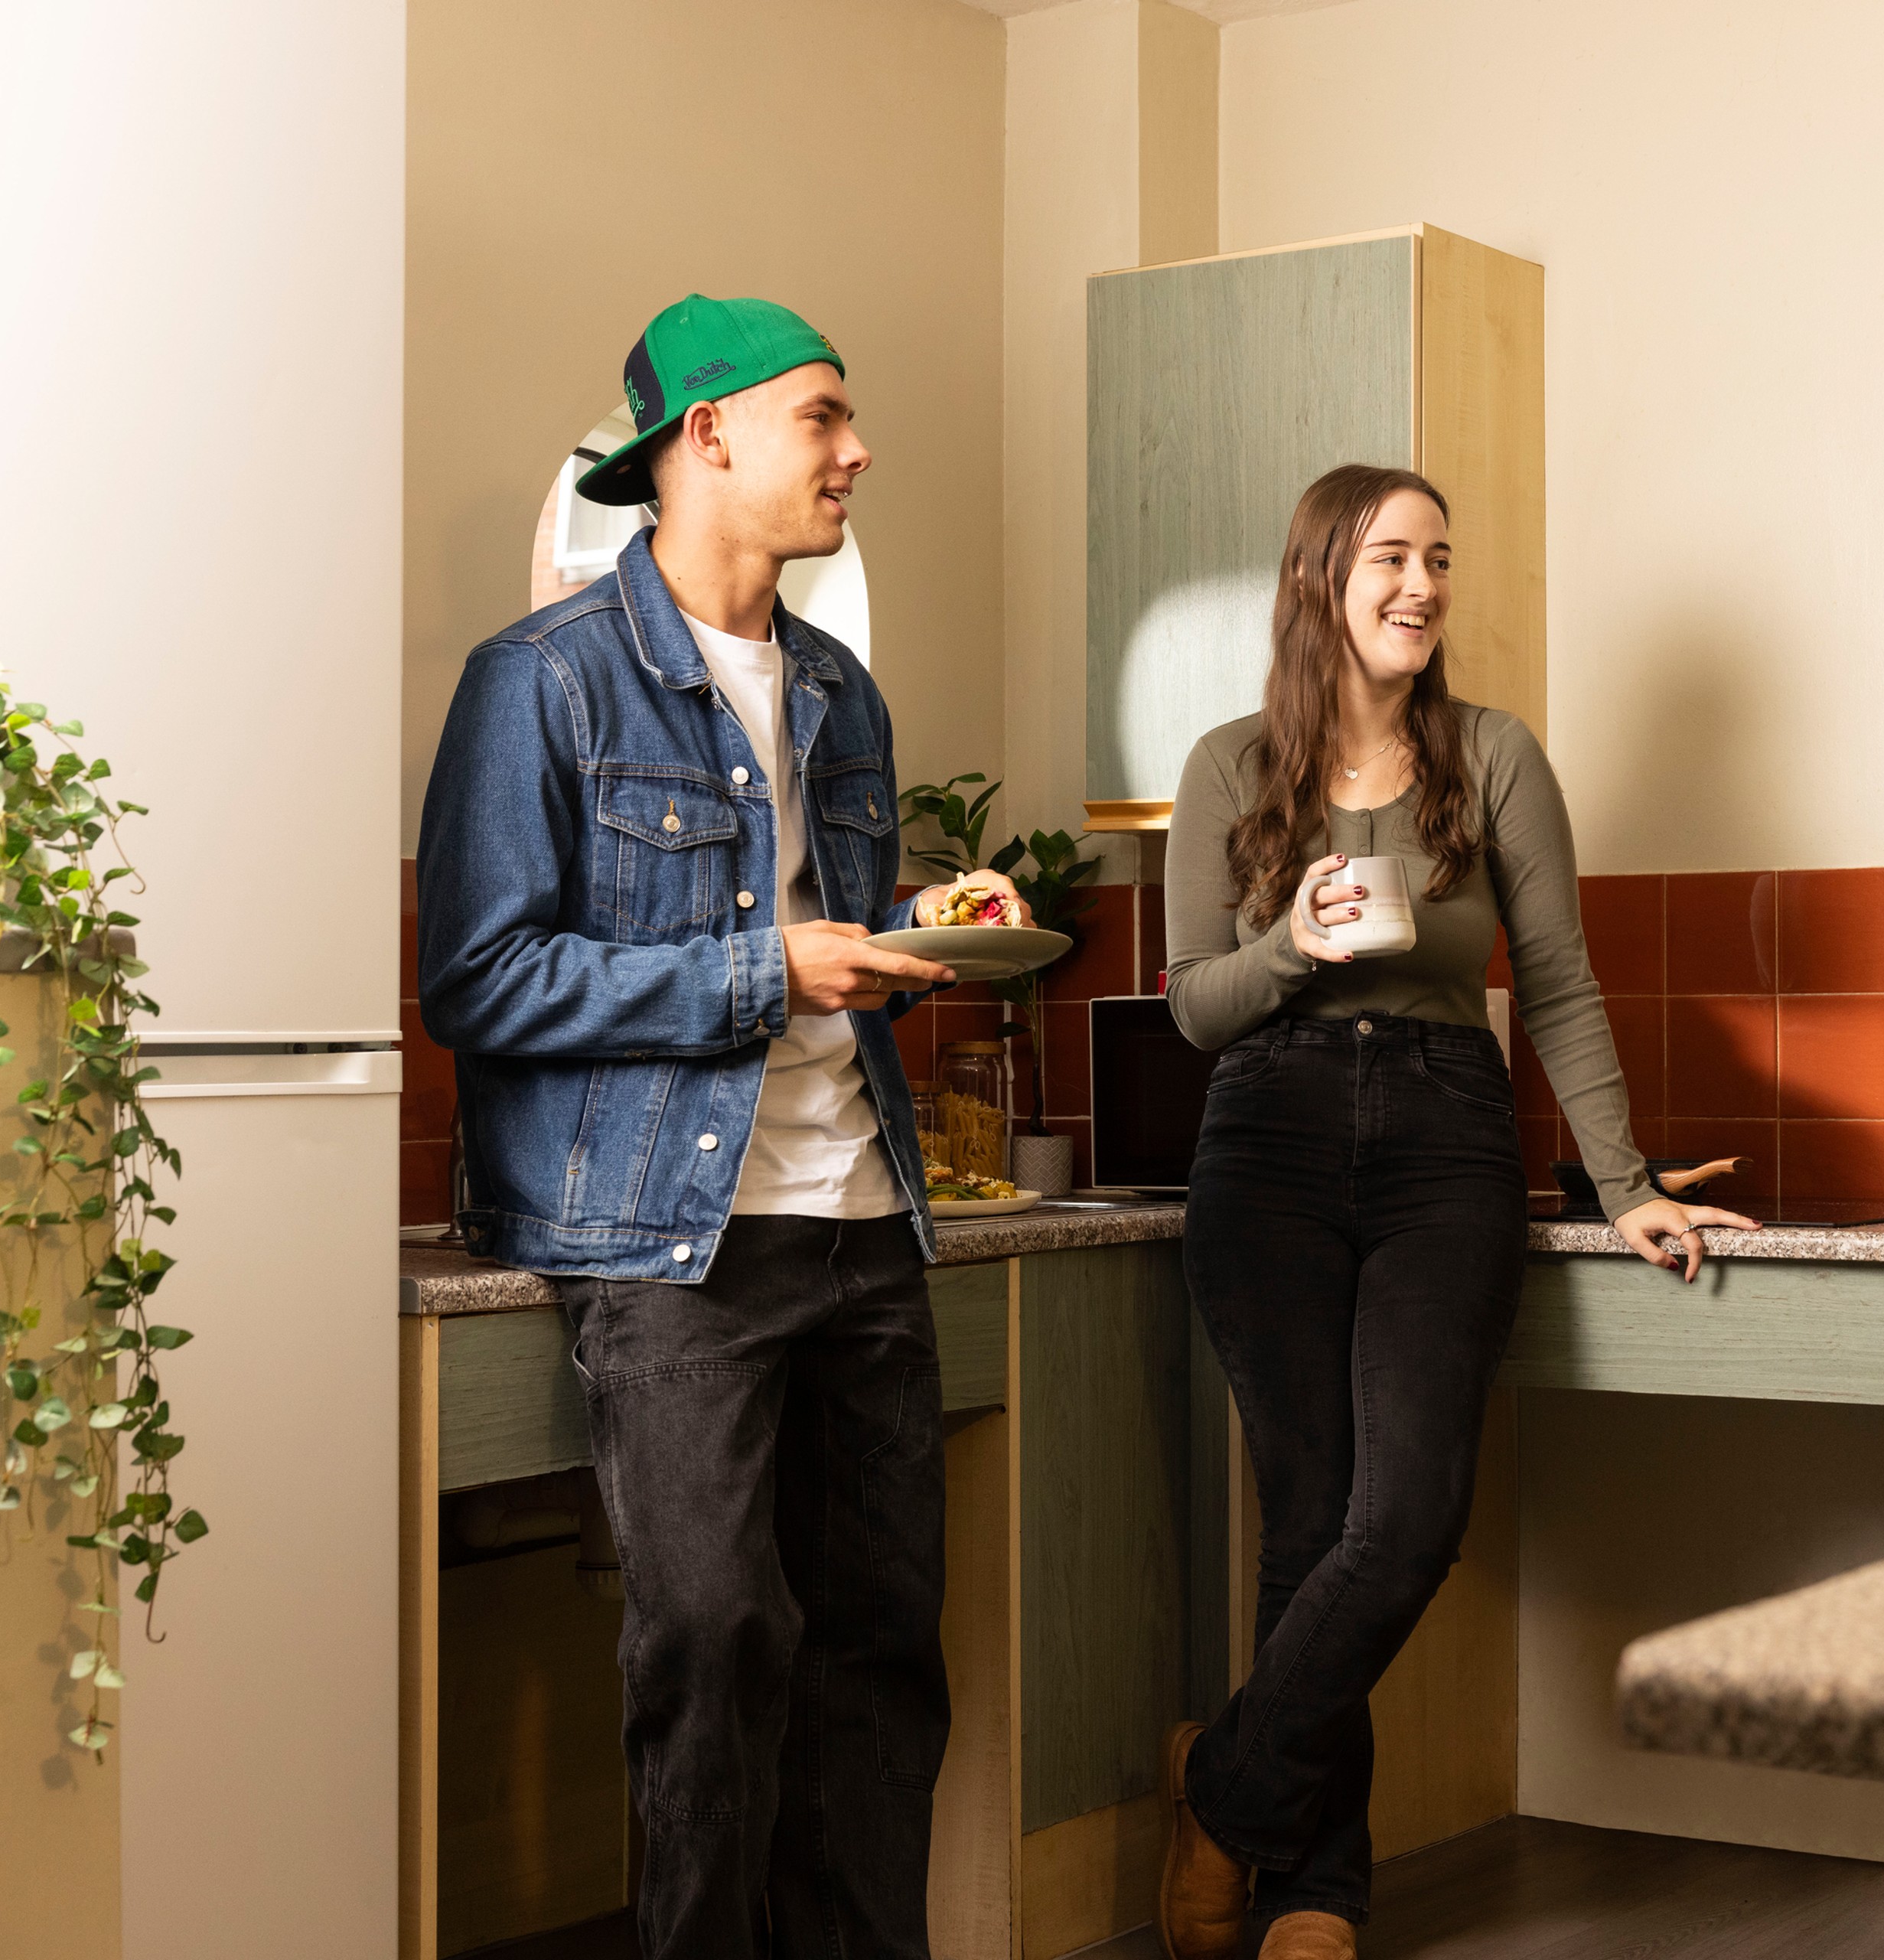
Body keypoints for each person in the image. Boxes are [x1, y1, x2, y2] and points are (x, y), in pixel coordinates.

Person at [418, 293, 1005, 1958]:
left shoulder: (843, 692)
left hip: (862, 1220)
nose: (858, 448)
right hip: (667, 1246)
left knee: (882, 1654)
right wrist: (769, 970)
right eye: (824, 415)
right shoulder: (540, 683)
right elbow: (479, 977)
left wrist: (924, 929)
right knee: (717, 1641)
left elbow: (828, 933)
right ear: (708, 436)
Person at [1153, 464, 1755, 1959]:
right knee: (1307, 1525)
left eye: (1437, 561)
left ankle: (1225, 1789)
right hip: (1268, 1140)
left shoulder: (1489, 756)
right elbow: (1193, 1010)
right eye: (1389, 560)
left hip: (1443, 1141)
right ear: (1318, 581)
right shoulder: (1229, 767)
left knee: (1406, 1514)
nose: (1421, 587)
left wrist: (1623, 1183)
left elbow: (1554, 979)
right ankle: (1315, 1890)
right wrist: (1292, 939)